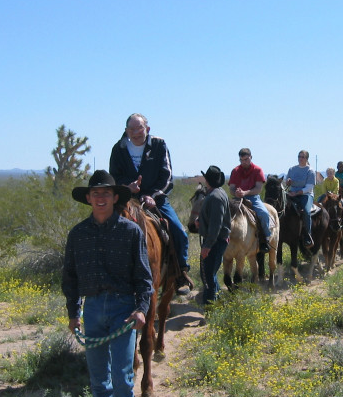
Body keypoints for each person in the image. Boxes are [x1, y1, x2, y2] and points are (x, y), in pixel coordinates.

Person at [62, 170, 153, 397]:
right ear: (88, 198)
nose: (100, 198)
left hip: (123, 310)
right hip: (91, 309)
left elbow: (144, 278)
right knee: (99, 378)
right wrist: (73, 312)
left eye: (106, 193)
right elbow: (70, 277)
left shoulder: (131, 232)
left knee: (123, 376)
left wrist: (141, 309)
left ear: (115, 198)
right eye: (95, 193)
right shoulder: (78, 234)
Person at [109, 113, 194, 296]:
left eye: (139, 128)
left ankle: (180, 273)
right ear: (126, 131)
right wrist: (126, 187)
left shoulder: (158, 145)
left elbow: (167, 175)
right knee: (104, 228)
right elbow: (113, 176)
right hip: (128, 198)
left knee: (179, 232)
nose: (135, 133)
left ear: (147, 129)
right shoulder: (119, 148)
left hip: (156, 199)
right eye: (131, 129)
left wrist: (153, 195)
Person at [196, 165, 231, 304]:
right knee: (211, 274)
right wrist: (201, 220)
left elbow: (216, 223)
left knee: (208, 276)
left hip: (215, 241)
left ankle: (210, 308)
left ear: (207, 180)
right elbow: (213, 217)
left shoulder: (215, 196)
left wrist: (207, 246)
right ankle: (218, 302)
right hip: (217, 240)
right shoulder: (217, 193)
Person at [228, 148, 271, 253]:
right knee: (226, 213)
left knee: (264, 213)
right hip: (237, 198)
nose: (244, 162)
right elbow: (231, 188)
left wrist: (245, 193)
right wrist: (236, 192)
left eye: (246, 159)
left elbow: (258, 189)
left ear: (251, 157)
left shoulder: (258, 170)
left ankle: (265, 238)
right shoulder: (235, 171)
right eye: (241, 160)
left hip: (253, 198)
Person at [286, 150, 316, 247]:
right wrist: (288, 181)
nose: (301, 158)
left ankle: (308, 235)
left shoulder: (310, 171)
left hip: (305, 194)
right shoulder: (292, 169)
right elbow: (287, 181)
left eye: (303, 157)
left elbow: (309, 187)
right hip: (291, 193)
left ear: (307, 159)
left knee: (306, 212)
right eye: (299, 156)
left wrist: (297, 193)